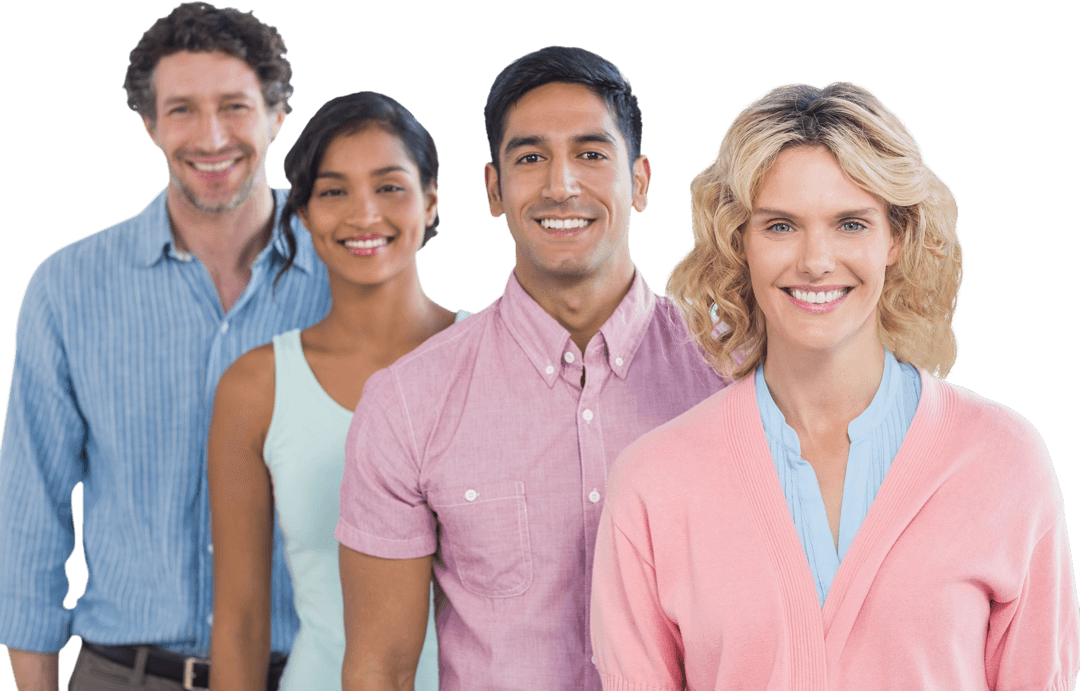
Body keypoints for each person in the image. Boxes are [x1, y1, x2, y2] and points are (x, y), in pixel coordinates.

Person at [589, 82, 1080, 689]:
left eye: (850, 223)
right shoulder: (652, 482)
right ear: (739, 240)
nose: (816, 259)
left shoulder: (1003, 458)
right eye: (780, 226)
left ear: (895, 237)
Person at [333, 46, 728, 691]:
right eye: (530, 157)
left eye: (593, 154)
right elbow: (379, 668)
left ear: (643, 181)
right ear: (494, 188)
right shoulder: (409, 402)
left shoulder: (733, 376)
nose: (561, 185)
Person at [0, 4, 332, 690]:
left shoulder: (350, 276)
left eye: (235, 106)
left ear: (276, 116)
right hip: (124, 674)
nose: (211, 136)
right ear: (150, 124)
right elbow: (31, 506)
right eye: (182, 110)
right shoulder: (68, 288)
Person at [208, 91, 462, 691]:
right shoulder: (257, 387)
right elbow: (241, 620)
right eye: (333, 191)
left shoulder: (499, 355)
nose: (363, 214)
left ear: (429, 202)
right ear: (301, 214)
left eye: (389, 186)